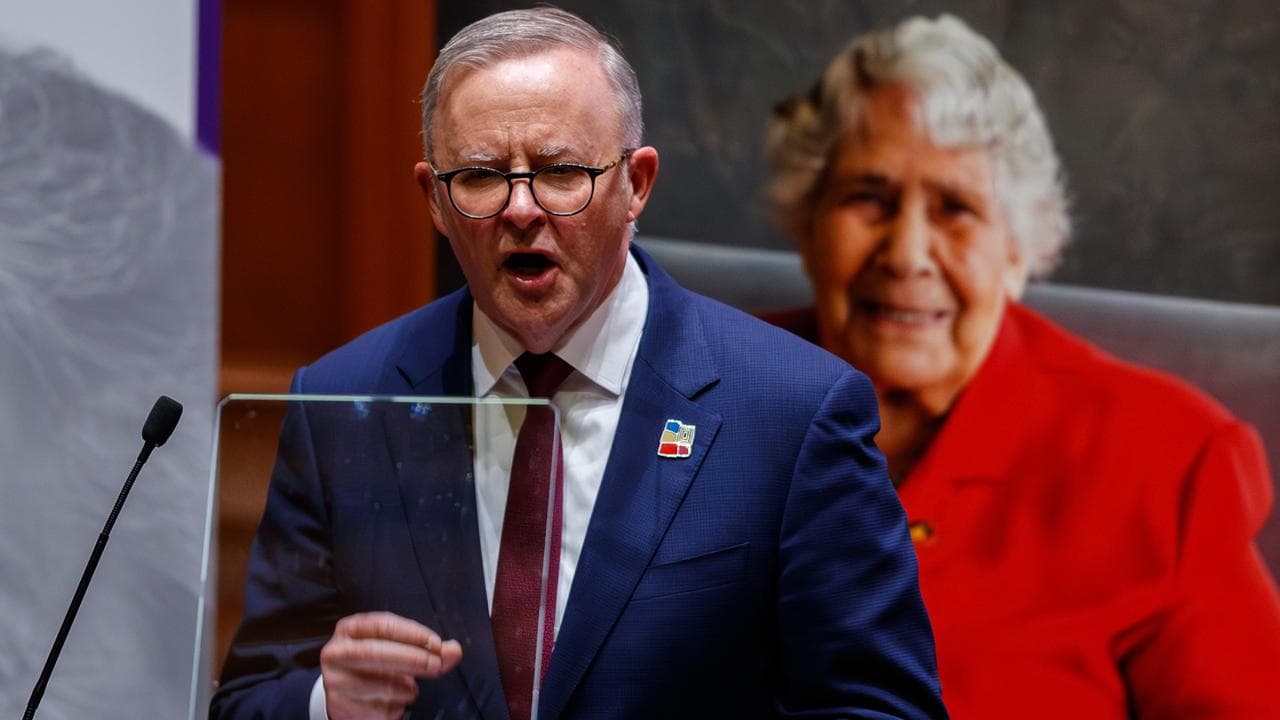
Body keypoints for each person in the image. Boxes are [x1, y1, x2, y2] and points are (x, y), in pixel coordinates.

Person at [212, 8, 947, 720]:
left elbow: (879, 707)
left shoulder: (792, 413)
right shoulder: (344, 404)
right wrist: (326, 704)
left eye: (561, 171)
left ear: (637, 184)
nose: (520, 209)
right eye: (479, 176)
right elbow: (247, 701)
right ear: (434, 199)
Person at [764, 13, 1280, 719]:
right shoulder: (700, 390)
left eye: (956, 209)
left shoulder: (1166, 463)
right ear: (806, 220)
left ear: (1021, 248)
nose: (907, 253)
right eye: (868, 199)